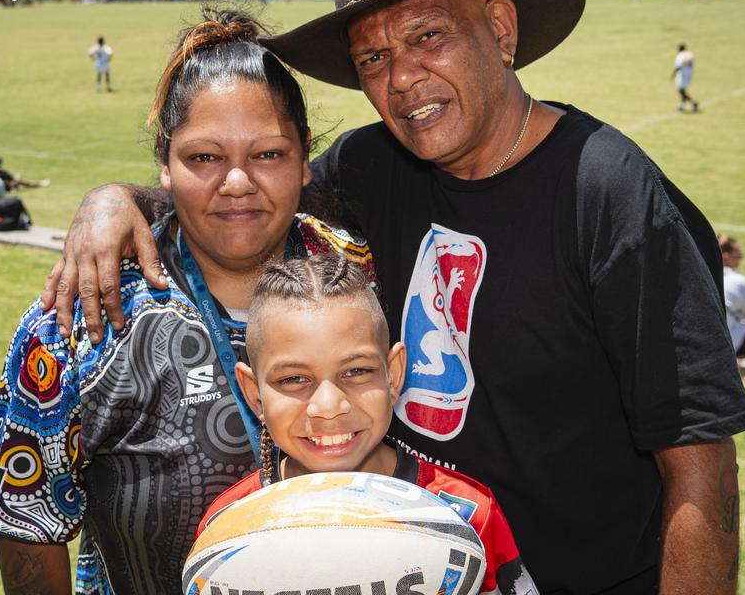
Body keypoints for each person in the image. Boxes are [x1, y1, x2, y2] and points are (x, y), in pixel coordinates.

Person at [43, 0, 745, 595]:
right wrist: (114, 200)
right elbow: (245, 188)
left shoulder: (609, 194)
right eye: (374, 56)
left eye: (428, 36)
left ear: (501, 30)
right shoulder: (375, 168)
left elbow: (701, 470)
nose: (404, 77)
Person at [0, 10, 374, 595]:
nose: (237, 183)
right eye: (204, 158)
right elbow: (26, 524)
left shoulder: (361, 274)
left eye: (268, 154)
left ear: (303, 157)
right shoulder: (79, 319)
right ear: (164, 161)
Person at [199, 255, 538, 595]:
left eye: (357, 371)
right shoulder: (227, 529)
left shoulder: (466, 515)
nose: (329, 407)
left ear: (394, 375)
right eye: (293, 379)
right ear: (254, 394)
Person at [720, 235, 745, 357]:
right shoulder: (739, 280)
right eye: (738, 254)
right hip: (728, 341)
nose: (741, 257)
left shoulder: (705, 273)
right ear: (726, 256)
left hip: (705, 333)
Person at [672, 43, 700, 112]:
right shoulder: (689, 54)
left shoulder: (680, 56)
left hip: (682, 75)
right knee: (682, 90)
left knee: (681, 91)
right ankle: (681, 106)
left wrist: (673, 74)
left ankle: (693, 102)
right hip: (689, 74)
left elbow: (679, 66)